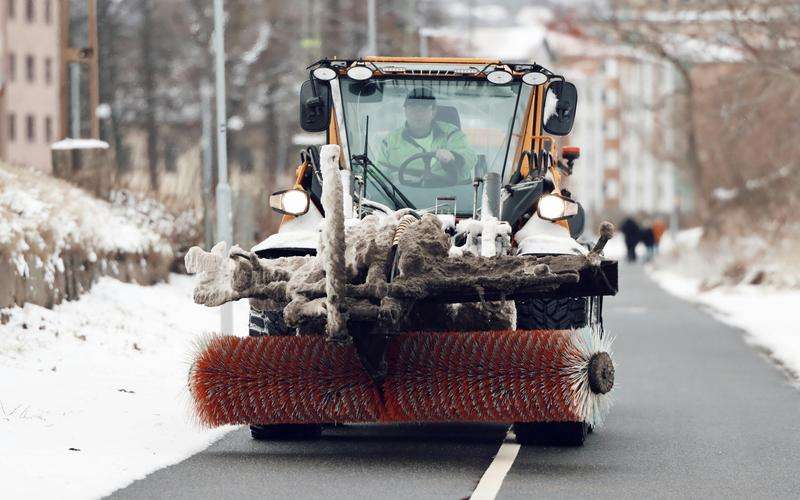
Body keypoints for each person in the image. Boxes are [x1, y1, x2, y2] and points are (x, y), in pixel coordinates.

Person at [377, 87, 477, 186]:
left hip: (449, 195)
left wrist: (454, 157)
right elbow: (378, 173)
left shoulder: (452, 134)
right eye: (412, 108)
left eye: (423, 108)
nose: (418, 114)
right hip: (403, 197)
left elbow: (470, 157)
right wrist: (394, 179)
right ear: (405, 111)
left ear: (433, 112)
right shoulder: (390, 141)